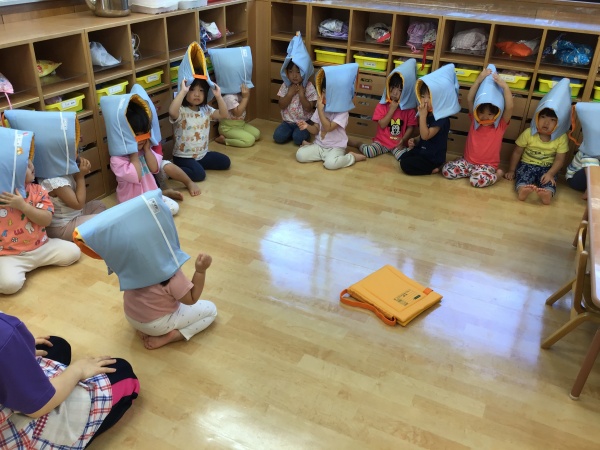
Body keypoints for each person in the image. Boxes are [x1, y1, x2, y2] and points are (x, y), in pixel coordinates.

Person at [0, 312, 139, 447]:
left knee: (55, 345)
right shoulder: (5, 334)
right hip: (14, 427)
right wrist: (77, 370)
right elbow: (38, 406)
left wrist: (17, 348)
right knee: (122, 372)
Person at [0, 160, 80, 295]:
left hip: (42, 247)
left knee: (74, 252)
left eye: (30, 161)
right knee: (10, 285)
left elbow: (46, 220)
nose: (31, 165)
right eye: (25, 165)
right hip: (10, 255)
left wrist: (23, 206)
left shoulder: (37, 190)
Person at [123, 251, 218, 350]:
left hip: (132, 317)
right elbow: (192, 298)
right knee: (211, 310)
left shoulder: (130, 266)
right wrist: (200, 271)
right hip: (156, 325)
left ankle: (143, 329)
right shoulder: (171, 274)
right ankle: (175, 336)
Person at [442, 68, 513, 187]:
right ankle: (467, 168)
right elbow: (470, 99)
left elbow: (509, 107)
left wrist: (505, 87)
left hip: (487, 166)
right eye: (481, 113)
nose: (485, 117)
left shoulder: (500, 125)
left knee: (476, 181)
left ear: (496, 114)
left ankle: (497, 175)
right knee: (446, 171)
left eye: (490, 114)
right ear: (476, 111)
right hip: (467, 162)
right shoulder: (475, 120)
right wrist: (479, 79)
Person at [109, 101, 180, 215]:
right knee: (146, 216)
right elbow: (135, 176)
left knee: (173, 208)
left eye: (144, 134)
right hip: (131, 204)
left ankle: (163, 194)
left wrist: (147, 150)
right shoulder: (117, 160)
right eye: (136, 135)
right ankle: (163, 195)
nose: (141, 139)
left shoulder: (145, 150)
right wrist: (133, 153)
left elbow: (154, 168)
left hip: (151, 197)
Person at [296, 73, 367, 170]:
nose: (325, 95)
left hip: (335, 147)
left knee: (330, 164)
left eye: (330, 93)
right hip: (320, 145)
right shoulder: (321, 107)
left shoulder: (342, 111)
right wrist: (307, 126)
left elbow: (328, 128)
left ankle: (351, 157)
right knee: (300, 155)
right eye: (323, 91)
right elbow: (316, 130)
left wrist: (320, 111)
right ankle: (312, 147)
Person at [169, 77, 230, 182]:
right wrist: (182, 92)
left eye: (201, 90)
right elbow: (172, 112)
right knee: (199, 175)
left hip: (202, 155)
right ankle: (172, 171)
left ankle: (196, 166)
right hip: (183, 157)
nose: (197, 94)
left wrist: (219, 97)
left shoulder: (206, 109)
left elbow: (223, 114)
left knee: (225, 162)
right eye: (192, 90)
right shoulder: (181, 110)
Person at [504, 108, 569, 204]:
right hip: (527, 164)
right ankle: (522, 190)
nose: (546, 122)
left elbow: (560, 160)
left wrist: (550, 174)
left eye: (552, 120)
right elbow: (517, 152)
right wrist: (511, 170)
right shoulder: (529, 132)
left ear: (559, 123)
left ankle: (547, 194)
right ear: (537, 118)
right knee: (523, 175)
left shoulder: (561, 137)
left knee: (550, 181)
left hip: (548, 168)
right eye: (543, 117)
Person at [39, 156, 107, 241]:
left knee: (99, 205)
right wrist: (80, 176)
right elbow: (78, 204)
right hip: (63, 226)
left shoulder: (63, 167)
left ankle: (86, 233)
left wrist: (80, 165)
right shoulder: (54, 181)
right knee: (101, 221)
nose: (76, 154)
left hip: (75, 214)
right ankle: (79, 238)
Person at [351, 72, 417, 159]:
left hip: (398, 144)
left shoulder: (409, 110)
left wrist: (403, 140)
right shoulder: (382, 105)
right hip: (381, 142)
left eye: (400, 90)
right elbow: (382, 124)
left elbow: (410, 127)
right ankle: (358, 144)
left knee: (405, 157)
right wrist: (392, 110)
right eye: (393, 87)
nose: (395, 93)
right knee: (369, 152)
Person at [395, 82, 451, 175]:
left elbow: (426, 136)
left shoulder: (441, 118)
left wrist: (422, 116)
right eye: (423, 96)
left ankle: (433, 169)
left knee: (405, 165)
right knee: (403, 157)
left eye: (429, 97)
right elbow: (422, 135)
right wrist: (415, 140)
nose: (425, 100)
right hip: (422, 150)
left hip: (432, 157)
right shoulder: (428, 113)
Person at [273, 61, 318, 146]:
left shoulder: (308, 86)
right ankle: (291, 132)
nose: (294, 75)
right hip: (287, 122)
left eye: (298, 72)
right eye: (291, 71)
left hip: (304, 122)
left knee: (298, 139)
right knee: (278, 137)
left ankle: (297, 134)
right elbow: (281, 105)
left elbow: (309, 108)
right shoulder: (286, 85)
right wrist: (290, 94)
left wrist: (301, 95)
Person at [214, 83, 261, 147]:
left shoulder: (240, 94)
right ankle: (224, 140)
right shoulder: (229, 97)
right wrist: (245, 98)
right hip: (228, 128)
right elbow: (238, 113)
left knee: (257, 134)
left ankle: (238, 135)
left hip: (241, 124)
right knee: (249, 140)